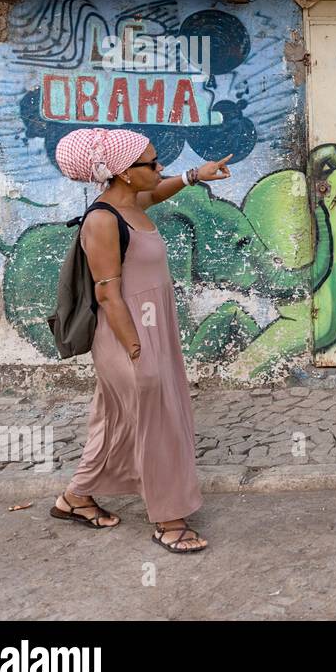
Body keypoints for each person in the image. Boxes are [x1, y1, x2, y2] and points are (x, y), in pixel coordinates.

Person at [50, 127, 232, 553]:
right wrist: (135, 348)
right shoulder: (102, 220)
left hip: (150, 328)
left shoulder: (132, 203)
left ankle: (75, 498)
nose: (159, 167)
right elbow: (107, 293)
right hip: (125, 335)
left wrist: (195, 175)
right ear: (126, 174)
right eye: (151, 163)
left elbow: (159, 192)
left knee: (115, 418)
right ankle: (169, 519)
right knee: (157, 420)